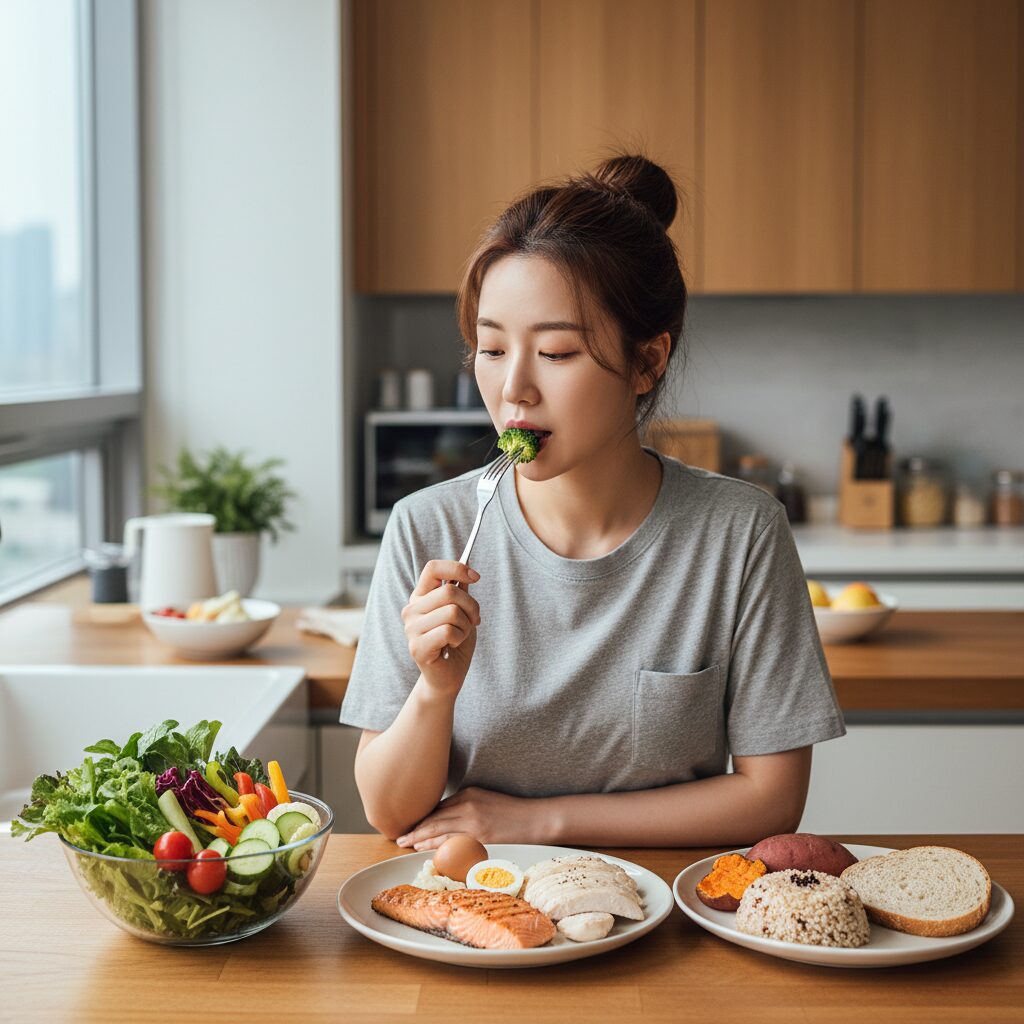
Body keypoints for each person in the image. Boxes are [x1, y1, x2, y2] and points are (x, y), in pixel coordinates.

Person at [340, 154, 845, 850]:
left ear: (648, 361)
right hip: (482, 910)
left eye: (556, 354)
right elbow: (390, 814)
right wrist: (434, 691)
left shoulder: (740, 533)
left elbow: (772, 797)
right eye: (490, 349)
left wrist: (541, 822)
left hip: (671, 922)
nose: (513, 388)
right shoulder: (430, 528)